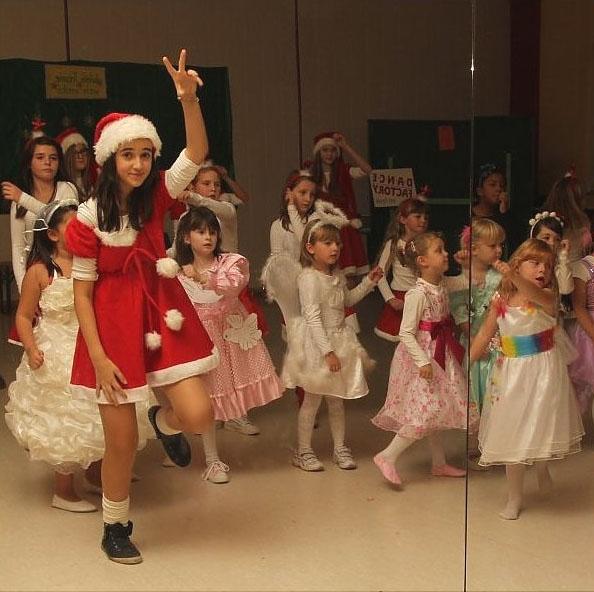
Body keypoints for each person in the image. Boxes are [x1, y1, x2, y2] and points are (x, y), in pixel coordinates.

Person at [65, 49, 219, 564]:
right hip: (111, 326)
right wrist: (98, 356)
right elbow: (82, 293)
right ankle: (114, 526)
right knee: (121, 442)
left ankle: (164, 420)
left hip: (160, 312)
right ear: (110, 159)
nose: (138, 164)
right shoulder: (87, 218)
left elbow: (196, 151)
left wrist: (188, 99)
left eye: (146, 154)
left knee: (198, 415)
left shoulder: (157, 196)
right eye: (128, 154)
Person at [470, 239, 583, 519]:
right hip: (511, 372)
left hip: (544, 371)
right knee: (512, 432)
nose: (543, 269)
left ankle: (542, 468)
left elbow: (534, 294)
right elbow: (485, 333)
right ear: (519, 264)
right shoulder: (501, 299)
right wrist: (466, 362)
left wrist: (512, 275)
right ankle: (515, 497)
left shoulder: (548, 297)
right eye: (535, 263)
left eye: (548, 266)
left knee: (541, 424)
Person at [5, 200, 104, 512]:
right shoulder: (40, 271)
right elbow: (23, 316)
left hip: (89, 344)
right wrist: (31, 347)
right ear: (52, 234)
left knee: (96, 412)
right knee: (66, 416)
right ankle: (63, 491)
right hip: (57, 349)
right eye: (73, 227)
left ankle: (95, 473)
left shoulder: (91, 264)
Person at [173, 206, 284, 482]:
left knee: (223, 392)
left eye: (212, 231)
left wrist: (203, 277)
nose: (208, 237)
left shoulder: (231, 263)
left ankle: (232, 424)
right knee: (206, 397)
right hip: (200, 340)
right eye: (200, 232)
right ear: (186, 237)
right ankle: (210, 459)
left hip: (229, 336)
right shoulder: (178, 271)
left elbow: (234, 285)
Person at [372, 232, 475, 486]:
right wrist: (422, 361)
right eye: (439, 250)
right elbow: (406, 333)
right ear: (422, 261)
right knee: (423, 412)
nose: (446, 253)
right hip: (423, 359)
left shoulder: (443, 284)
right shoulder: (417, 294)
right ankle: (387, 456)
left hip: (441, 353)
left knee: (435, 409)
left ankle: (439, 463)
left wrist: (466, 265)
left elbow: (468, 281)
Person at [280, 217, 382, 471]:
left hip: (340, 339)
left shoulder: (336, 275)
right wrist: (327, 352)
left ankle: (339, 448)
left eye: (337, 243)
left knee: (337, 400)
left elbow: (347, 300)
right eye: (327, 243)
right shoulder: (308, 278)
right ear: (310, 248)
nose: (335, 248)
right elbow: (313, 318)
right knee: (312, 400)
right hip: (319, 345)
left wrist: (369, 282)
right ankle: (303, 451)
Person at [2, 136, 78, 290]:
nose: (48, 162)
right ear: (29, 163)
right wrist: (23, 287)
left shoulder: (67, 188)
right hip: (34, 271)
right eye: (40, 157)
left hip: (66, 268)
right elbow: (18, 247)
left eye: (53, 158)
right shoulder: (19, 201)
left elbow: (57, 218)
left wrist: (23, 199)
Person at [308, 132, 371, 277]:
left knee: (348, 273)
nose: (329, 154)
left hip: (343, 226)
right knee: (324, 271)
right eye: (325, 150)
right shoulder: (310, 173)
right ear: (318, 152)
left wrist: (345, 146)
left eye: (333, 150)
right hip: (322, 224)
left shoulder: (344, 170)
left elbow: (367, 170)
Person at [374, 197, 429, 342]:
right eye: (418, 216)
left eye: (425, 217)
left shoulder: (428, 244)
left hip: (423, 298)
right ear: (403, 219)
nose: (423, 220)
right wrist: (390, 299)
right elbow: (379, 275)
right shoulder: (394, 244)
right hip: (401, 299)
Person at [56, 127, 96, 200]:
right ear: (67, 157)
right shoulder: (61, 187)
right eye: (75, 153)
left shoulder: (95, 180)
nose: (80, 156)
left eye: (83, 151)